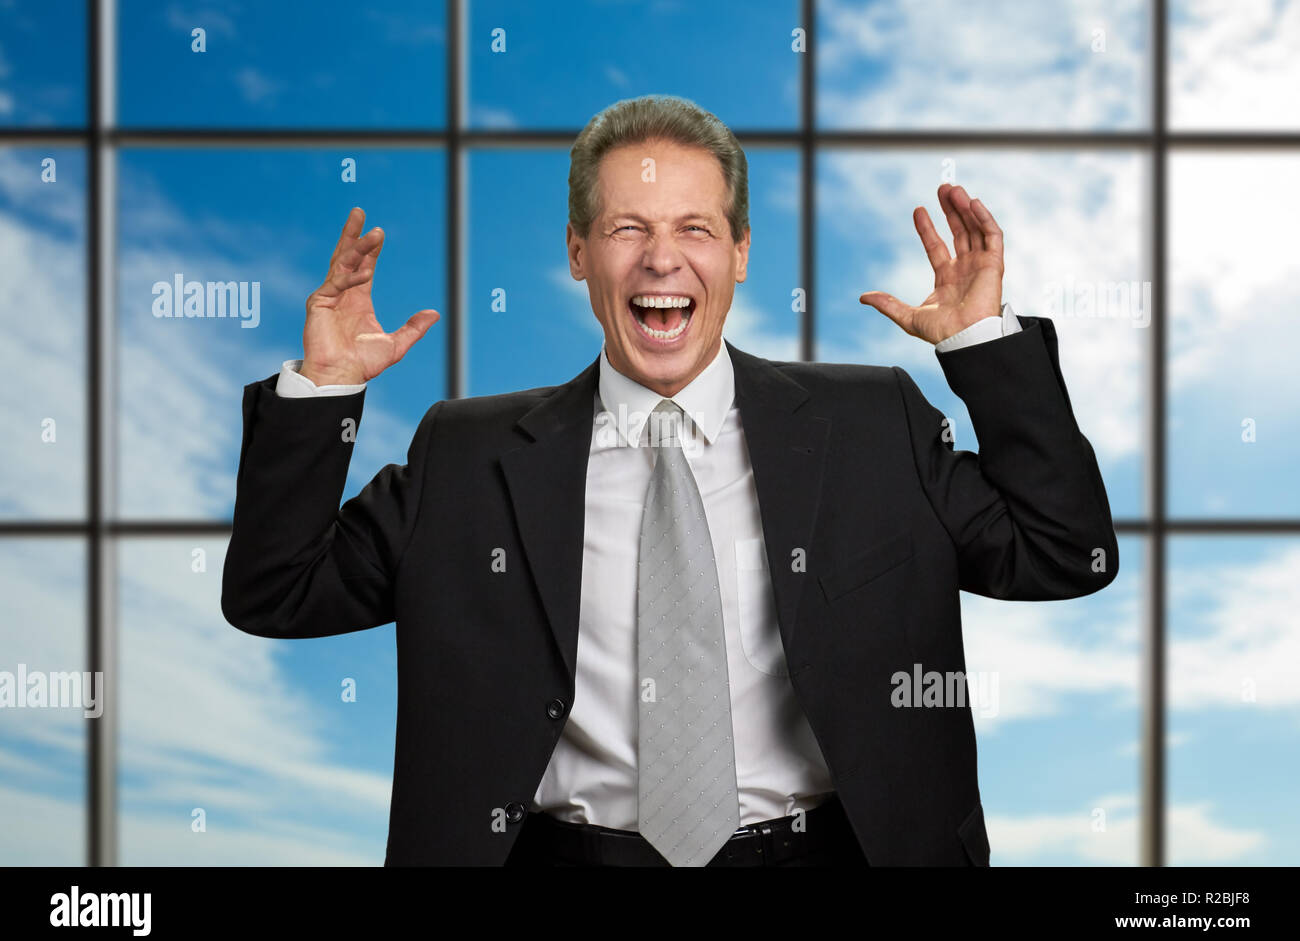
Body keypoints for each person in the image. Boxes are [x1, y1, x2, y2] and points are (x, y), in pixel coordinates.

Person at [222, 94, 1118, 866]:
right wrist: (325, 392)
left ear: (740, 251)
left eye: (695, 228)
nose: (662, 260)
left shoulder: (870, 424)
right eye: (627, 229)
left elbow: (1064, 556)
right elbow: (276, 592)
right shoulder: (467, 453)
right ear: (577, 253)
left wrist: (981, 348)